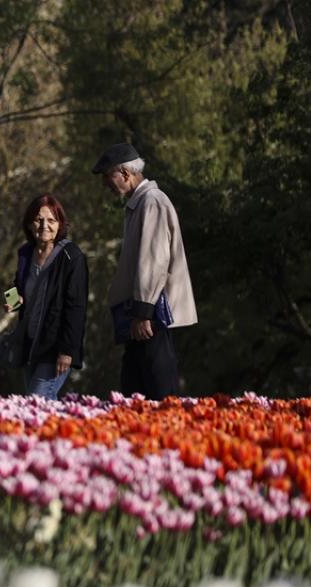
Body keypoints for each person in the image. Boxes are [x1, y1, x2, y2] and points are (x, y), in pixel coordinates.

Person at [92, 143, 197, 400]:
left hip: (151, 318)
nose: (105, 184)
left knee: (158, 393)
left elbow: (154, 261)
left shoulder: (152, 202)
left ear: (125, 173)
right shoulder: (140, 203)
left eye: (107, 176)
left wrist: (142, 313)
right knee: (135, 392)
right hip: (143, 315)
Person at [8, 194, 88, 400]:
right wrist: (12, 301)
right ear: (29, 224)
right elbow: (19, 285)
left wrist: (67, 351)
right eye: (38, 220)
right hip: (30, 345)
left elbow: (76, 307)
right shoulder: (26, 253)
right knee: (38, 407)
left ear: (60, 224)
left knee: (36, 402)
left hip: (55, 348)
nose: (45, 226)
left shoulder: (72, 256)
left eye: (51, 220)